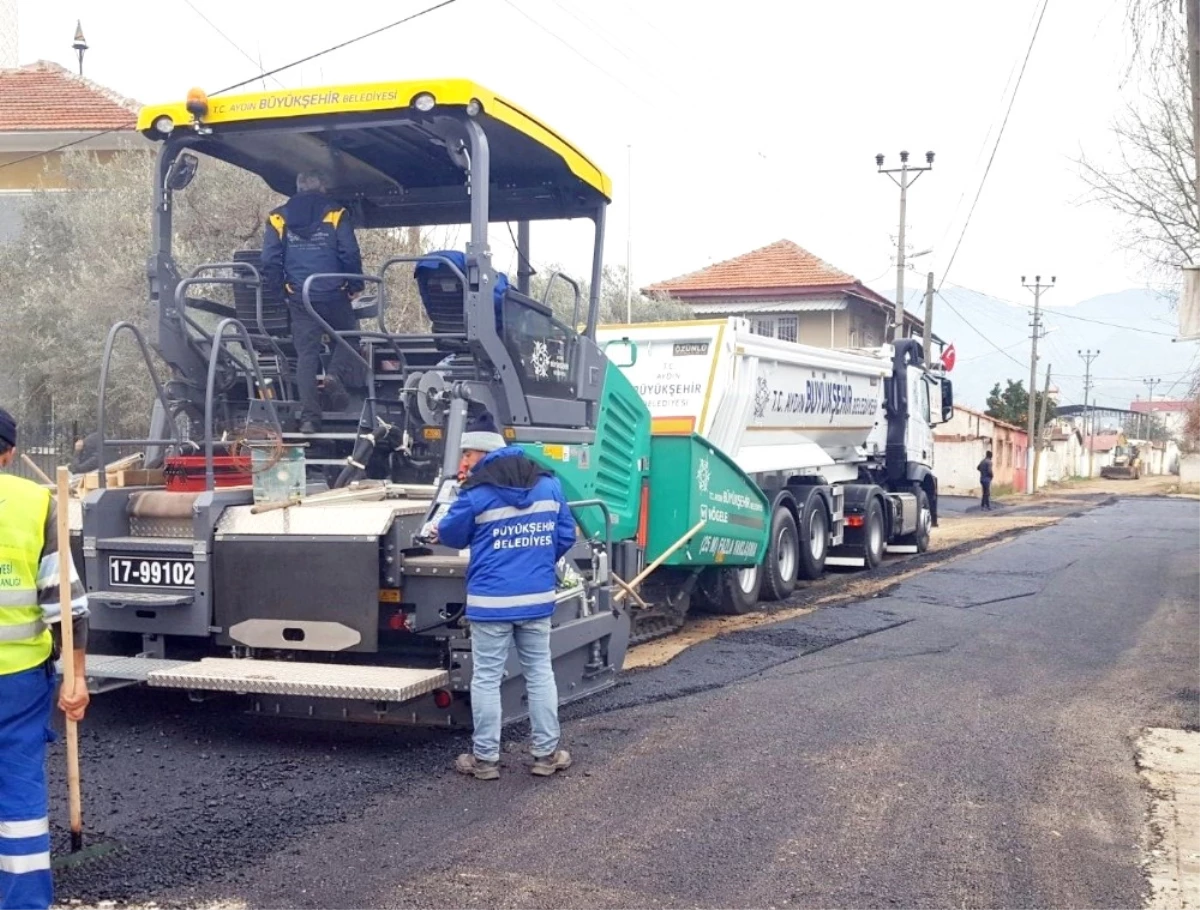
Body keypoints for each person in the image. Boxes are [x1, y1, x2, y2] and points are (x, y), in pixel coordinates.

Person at [431, 413, 575, 780]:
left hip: (491, 603)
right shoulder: (549, 485)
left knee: (486, 679)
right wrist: (536, 561)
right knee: (540, 673)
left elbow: (450, 535)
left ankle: (485, 761)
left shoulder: (477, 493)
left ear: (487, 453)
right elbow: (565, 535)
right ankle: (545, 755)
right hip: (536, 599)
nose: (463, 461)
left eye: (468, 454)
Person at [0, 407, 90, 910]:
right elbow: (68, 606)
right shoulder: (36, 503)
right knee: (18, 796)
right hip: (16, 684)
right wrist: (75, 677)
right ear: (10, 453)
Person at [261, 170, 365, 434]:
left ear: (297, 188)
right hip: (334, 292)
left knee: (306, 355)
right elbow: (349, 251)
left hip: (300, 296)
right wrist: (355, 284)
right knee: (349, 337)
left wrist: (280, 292)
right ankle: (333, 376)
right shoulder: (336, 213)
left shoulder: (278, 217)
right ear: (323, 187)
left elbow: (270, 260)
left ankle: (309, 419)